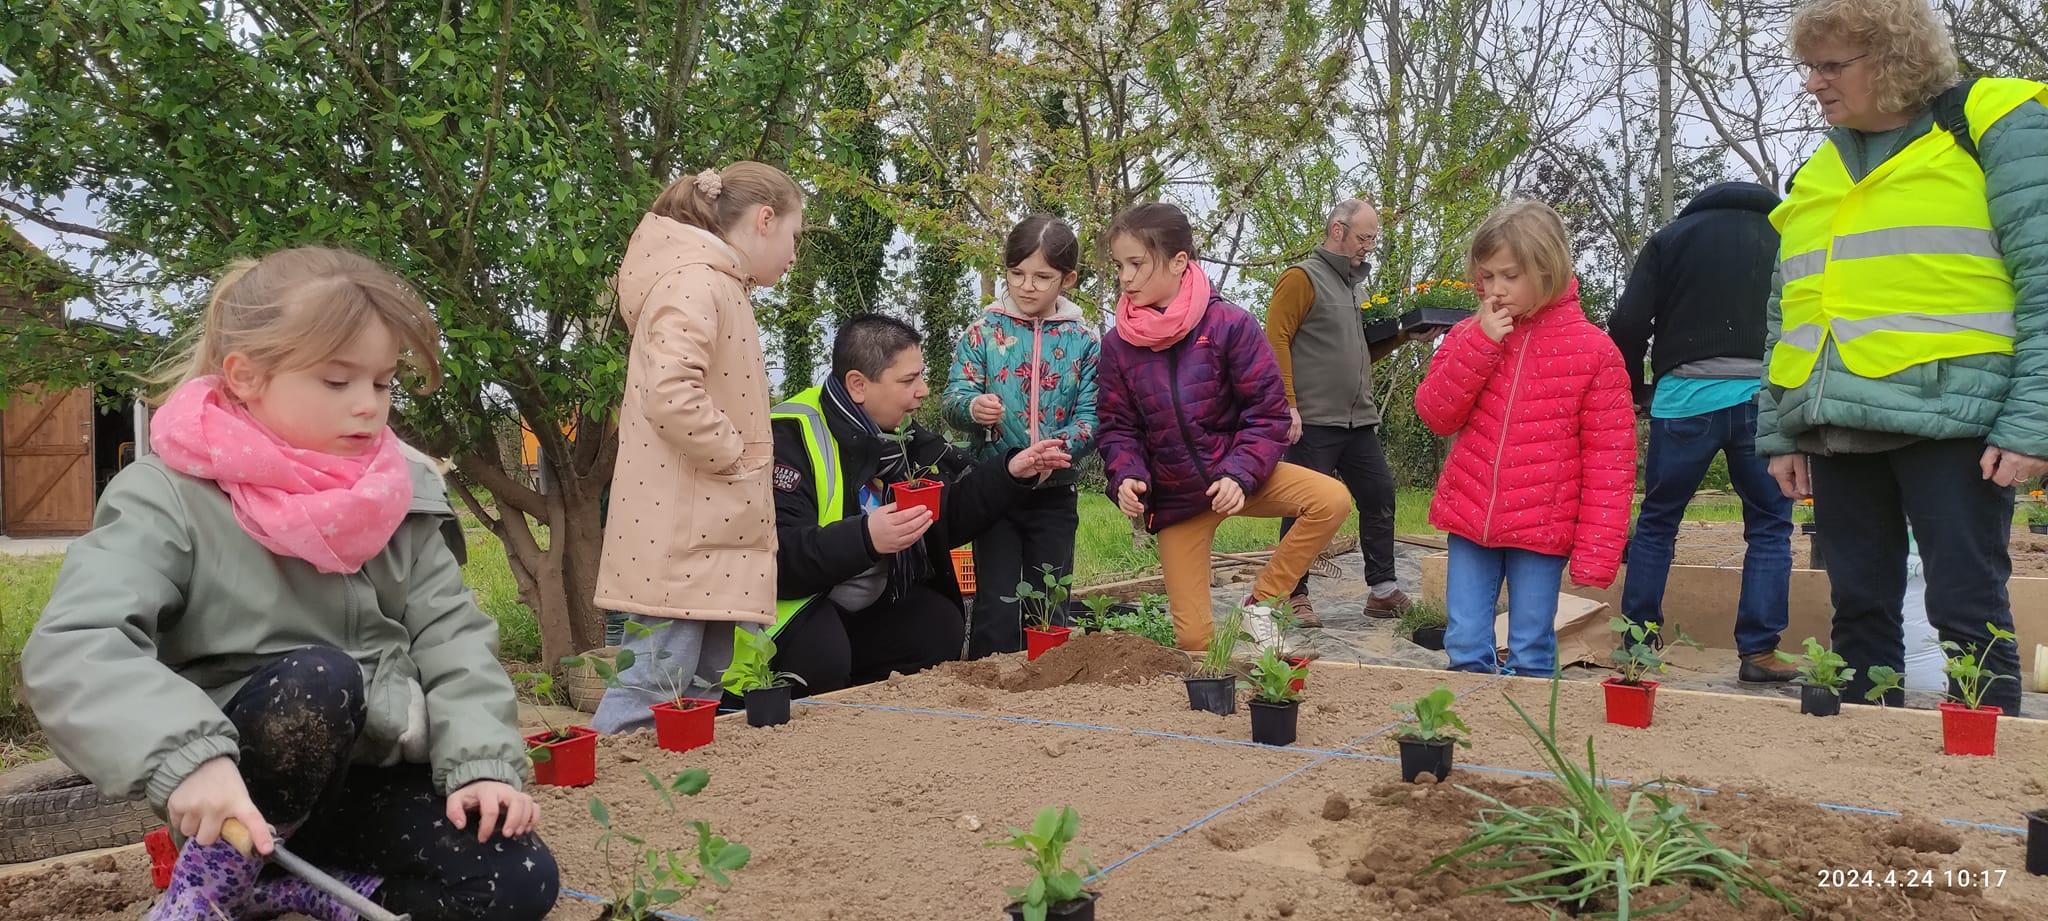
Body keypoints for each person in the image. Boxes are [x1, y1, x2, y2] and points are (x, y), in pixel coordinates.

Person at [21, 248, 558, 921]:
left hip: (367, 776)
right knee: (319, 681)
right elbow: (75, 645)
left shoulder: (401, 494)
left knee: (518, 881)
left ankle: (288, 886)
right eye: (338, 381)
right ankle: (210, 886)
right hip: (235, 787)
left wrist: (481, 762)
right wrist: (187, 757)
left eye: (383, 383)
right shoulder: (168, 495)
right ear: (247, 376)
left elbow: (454, 639)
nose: (368, 406)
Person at [1760, 0, 2047, 713]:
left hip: (1954, 420)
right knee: (1857, 613)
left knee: (1966, 611)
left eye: (1832, 65)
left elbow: (2044, 275)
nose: (1813, 82)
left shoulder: (1992, 125)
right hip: (1836, 423)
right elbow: (1785, 310)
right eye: (1810, 65)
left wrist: (2033, 421)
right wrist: (1780, 431)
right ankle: (1868, 780)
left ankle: (1980, 789)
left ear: (1894, 60)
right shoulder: (1820, 171)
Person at [591, 161, 803, 733]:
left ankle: (669, 804)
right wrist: (736, 456)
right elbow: (671, 394)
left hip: (707, 530)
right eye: (794, 236)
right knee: (652, 688)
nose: (793, 253)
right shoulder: (695, 281)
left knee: (698, 682)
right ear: (765, 220)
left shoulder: (715, 281)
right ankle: (598, 805)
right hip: (683, 535)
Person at [761, 314, 1073, 695]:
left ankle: (874, 702)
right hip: (798, 604)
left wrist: (1010, 473)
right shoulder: (789, 436)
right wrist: (866, 537)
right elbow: (780, 558)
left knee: (937, 628)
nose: (924, 390)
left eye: (921, 376)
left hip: (867, 602)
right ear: (858, 385)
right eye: (909, 380)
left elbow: (945, 514)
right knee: (822, 660)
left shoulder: (898, 434)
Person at [1094, 202, 1351, 653]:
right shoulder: (1118, 345)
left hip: (1238, 477)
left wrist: (1238, 473)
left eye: (1136, 264)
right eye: (1120, 266)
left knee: (1331, 500)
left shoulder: (1230, 324)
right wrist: (1127, 472)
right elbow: (1117, 427)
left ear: (1179, 262)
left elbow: (1267, 414)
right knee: (1195, 642)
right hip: (1176, 500)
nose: (1125, 278)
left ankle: (1263, 604)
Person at [1415, 201, 1636, 678]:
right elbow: (1436, 413)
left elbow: (1610, 462)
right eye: (1487, 276)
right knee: (1465, 641)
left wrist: (1597, 551)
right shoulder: (1467, 335)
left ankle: (1528, 747)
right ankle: (1470, 736)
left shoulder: (1594, 351)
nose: (1495, 289)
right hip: (1472, 515)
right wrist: (1480, 343)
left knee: (1533, 645)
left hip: (1543, 526)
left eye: (1509, 276)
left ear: (1547, 269)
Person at [1606, 181, 1798, 685]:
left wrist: (1636, 386)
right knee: (1771, 527)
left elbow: (1627, 320)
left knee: (1658, 522)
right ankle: (1759, 652)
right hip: (1765, 399)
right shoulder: (1786, 234)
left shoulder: (1672, 238)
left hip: (1684, 401)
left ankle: (1636, 647)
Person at [941, 214, 1101, 659]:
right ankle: (990, 695)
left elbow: (1092, 416)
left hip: (1055, 494)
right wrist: (973, 408)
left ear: (1067, 279)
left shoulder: (1085, 341)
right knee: (994, 604)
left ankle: (1047, 692)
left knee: (1050, 602)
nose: (1027, 286)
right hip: (993, 491)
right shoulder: (983, 333)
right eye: (1016, 274)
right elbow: (953, 400)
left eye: (1042, 277)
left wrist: (1058, 449)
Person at [1264, 198, 1419, 626]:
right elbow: (1275, 340)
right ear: (1338, 230)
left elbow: (1361, 353)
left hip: (1358, 421)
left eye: (1372, 239)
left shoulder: (1356, 288)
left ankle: (1383, 591)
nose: (1368, 246)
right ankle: (1291, 595)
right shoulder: (1301, 279)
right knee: (1302, 507)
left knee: (1379, 495)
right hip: (1311, 419)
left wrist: (1406, 336)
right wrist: (1288, 406)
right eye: (1363, 237)